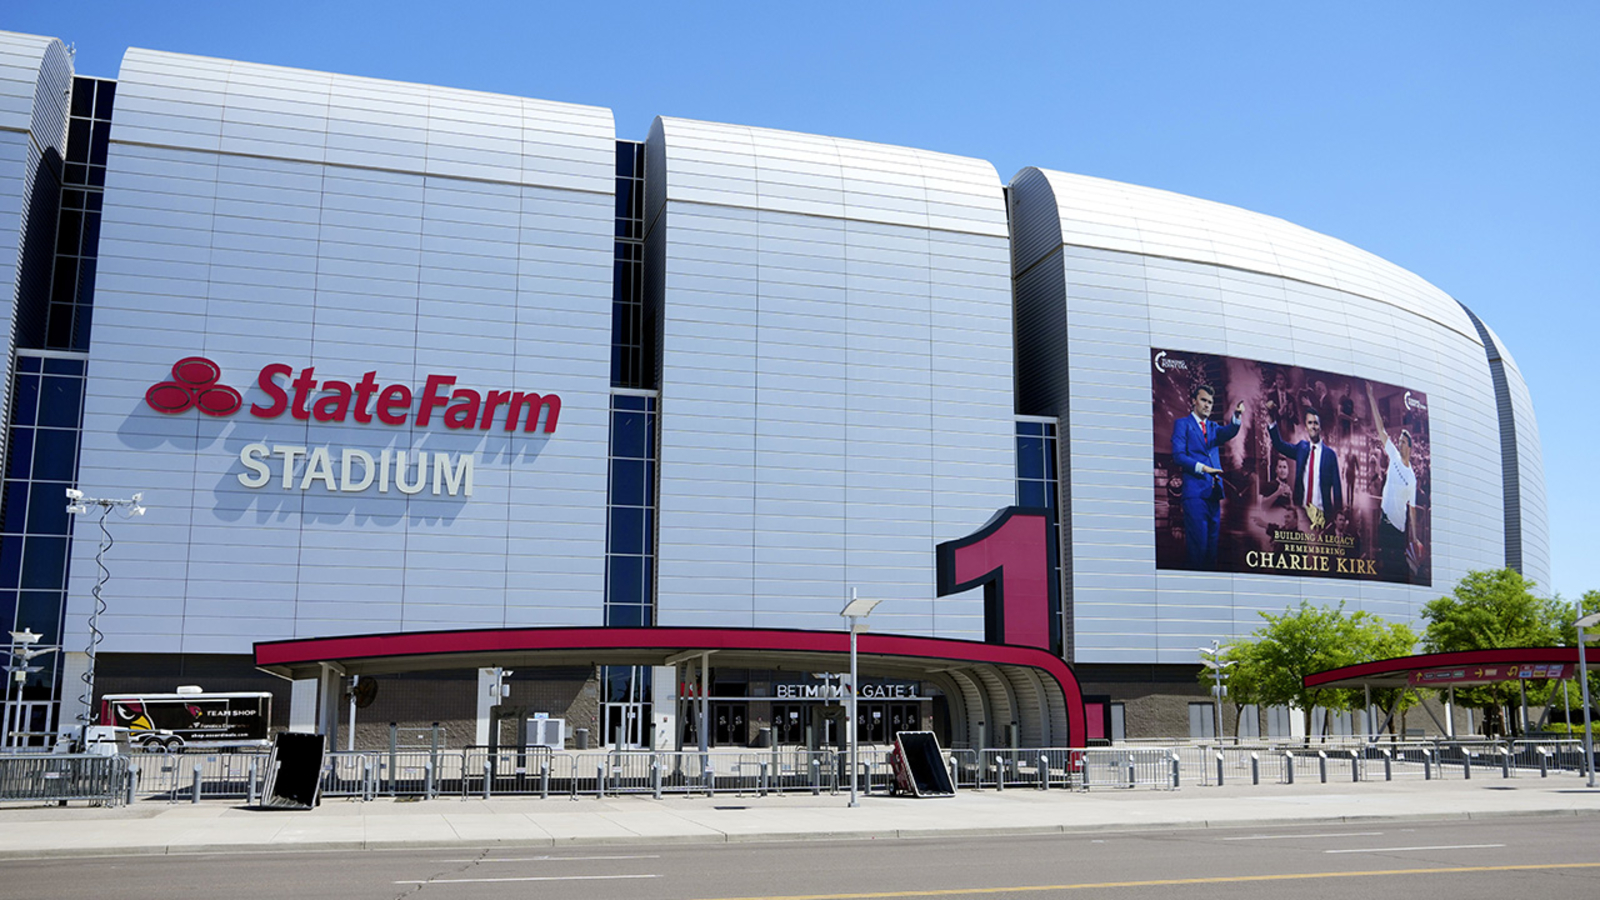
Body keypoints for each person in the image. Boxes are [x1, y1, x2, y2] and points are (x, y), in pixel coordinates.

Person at [1171, 384, 1244, 568]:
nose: (1207, 405)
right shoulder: (1182, 424)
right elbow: (1178, 456)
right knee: (1198, 549)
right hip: (1195, 494)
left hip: (1213, 494)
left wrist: (1237, 416)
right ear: (1194, 401)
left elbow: (1230, 431)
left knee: (1212, 551)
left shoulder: (1213, 427)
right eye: (1203, 400)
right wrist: (1203, 468)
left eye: (1210, 402)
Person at [1366, 383, 1419, 582]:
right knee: (1384, 569)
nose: (1400, 443)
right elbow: (1381, 429)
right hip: (1384, 521)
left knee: (1398, 572)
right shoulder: (1394, 456)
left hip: (1399, 529)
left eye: (1403, 442)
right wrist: (1371, 397)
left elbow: (1412, 510)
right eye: (1400, 441)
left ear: (1410, 448)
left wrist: (1415, 537)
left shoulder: (1412, 478)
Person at [1266, 400, 1341, 530]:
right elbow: (1279, 445)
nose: (1313, 426)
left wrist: (1336, 518)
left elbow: (1337, 488)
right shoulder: (1301, 448)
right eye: (1310, 423)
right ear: (1306, 427)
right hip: (1301, 512)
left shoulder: (1330, 455)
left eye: (1316, 423)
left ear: (1320, 427)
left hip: (1322, 515)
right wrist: (1272, 422)